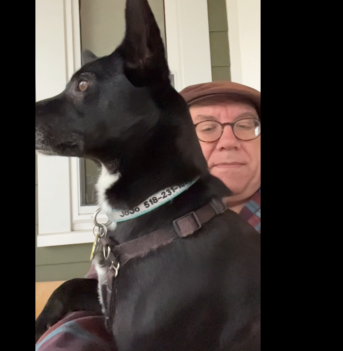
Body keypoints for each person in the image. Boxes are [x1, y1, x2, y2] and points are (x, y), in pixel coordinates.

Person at [36, 80, 261, 351]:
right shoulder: (137, 225)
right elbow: (101, 308)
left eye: (247, 126)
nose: (229, 141)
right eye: (208, 128)